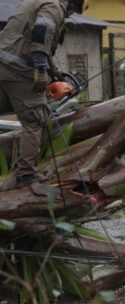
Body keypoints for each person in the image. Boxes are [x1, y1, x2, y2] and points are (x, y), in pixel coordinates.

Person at [0, 0, 88, 188]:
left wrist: (53, 72)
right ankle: (26, 176)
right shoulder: (54, 7)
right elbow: (41, 32)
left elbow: (31, 39)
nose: (71, 14)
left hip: (4, 66)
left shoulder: (38, 1)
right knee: (34, 121)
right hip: (19, 71)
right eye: (74, 10)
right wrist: (40, 71)